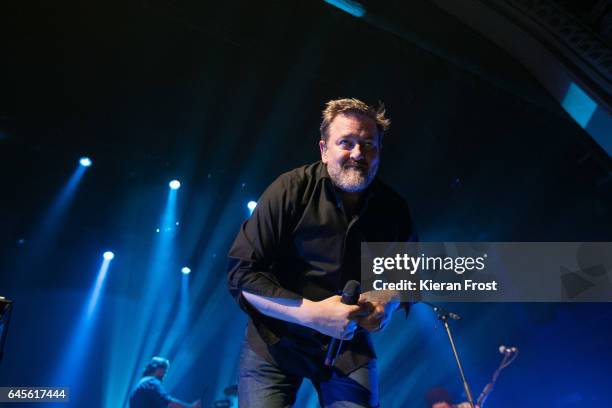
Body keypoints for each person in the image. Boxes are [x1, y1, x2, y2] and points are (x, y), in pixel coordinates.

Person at [227, 98, 417, 407]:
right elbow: (242, 275)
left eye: (369, 145)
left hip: (347, 347)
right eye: (346, 142)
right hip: (276, 341)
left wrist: (388, 300)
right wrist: (313, 314)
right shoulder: (290, 189)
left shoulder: (394, 209)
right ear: (324, 150)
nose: (358, 154)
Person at [129, 356, 201, 408]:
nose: (165, 375)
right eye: (165, 371)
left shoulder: (140, 385)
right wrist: (190, 407)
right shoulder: (152, 382)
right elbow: (168, 402)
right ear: (158, 369)